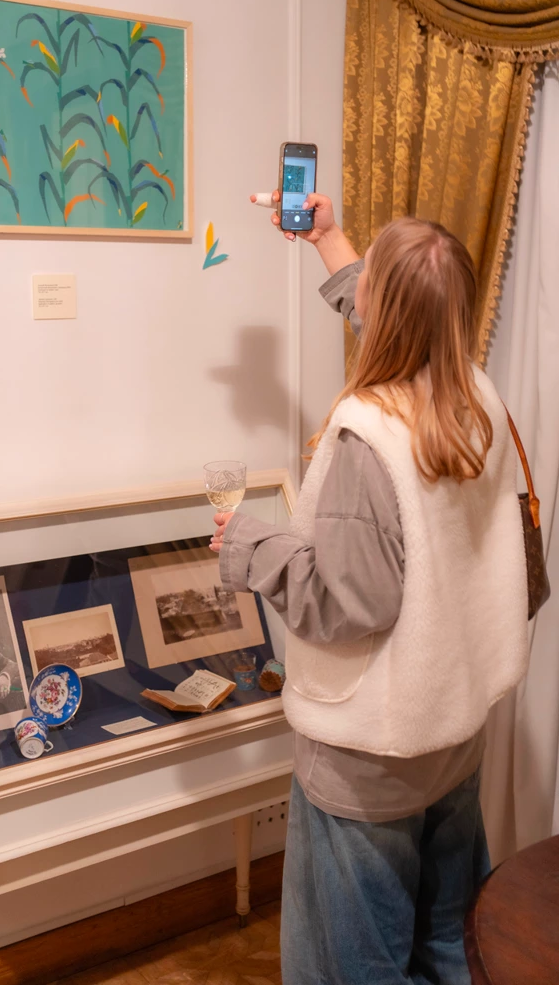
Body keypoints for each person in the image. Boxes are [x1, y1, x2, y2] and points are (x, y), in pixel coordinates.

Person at [210, 191, 530, 985]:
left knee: (354, 967)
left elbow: (348, 601)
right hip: (451, 734)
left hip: (370, 760)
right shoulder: (476, 397)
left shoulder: (368, 436)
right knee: (452, 945)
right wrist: (330, 239)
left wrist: (249, 544)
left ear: (384, 311)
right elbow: (405, 313)